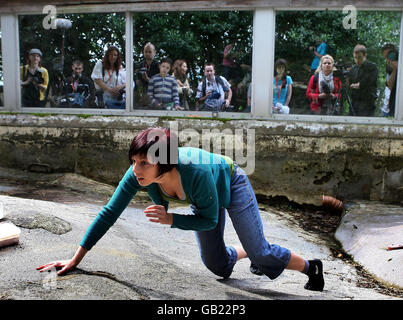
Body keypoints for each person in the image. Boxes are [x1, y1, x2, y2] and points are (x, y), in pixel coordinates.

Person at [37, 127, 325, 292]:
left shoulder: (195, 171)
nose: (136, 169)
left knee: (262, 253)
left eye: (143, 163)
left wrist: (172, 219)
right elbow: (109, 213)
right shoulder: (136, 175)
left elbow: (209, 219)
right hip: (204, 199)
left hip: (231, 183)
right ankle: (247, 249)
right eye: (134, 161)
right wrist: (75, 260)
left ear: (165, 162)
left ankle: (311, 267)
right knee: (219, 267)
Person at [347, 44, 378, 117]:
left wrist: (356, 85)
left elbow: (366, 83)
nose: (357, 60)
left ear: (365, 55)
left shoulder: (372, 67)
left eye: (359, 57)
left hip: (367, 103)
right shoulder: (354, 69)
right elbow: (349, 84)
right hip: (355, 102)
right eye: (355, 58)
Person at [381, 44, 398, 117]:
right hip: (394, 104)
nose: (388, 60)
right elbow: (390, 86)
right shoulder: (390, 67)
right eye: (386, 58)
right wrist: (395, 69)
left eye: (389, 56)